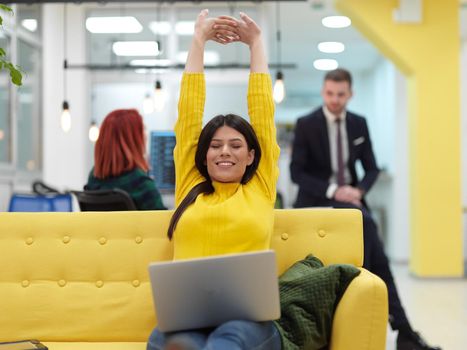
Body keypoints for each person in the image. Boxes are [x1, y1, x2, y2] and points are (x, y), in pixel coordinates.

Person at [146, 9, 282, 350]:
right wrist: (197, 41)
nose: (225, 152)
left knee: (228, 340)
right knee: (164, 340)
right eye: (216, 145)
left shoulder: (260, 186)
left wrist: (256, 45)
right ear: (203, 154)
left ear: (251, 155)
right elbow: (189, 114)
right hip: (188, 316)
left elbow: (262, 111)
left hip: (248, 321)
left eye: (236, 145)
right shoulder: (190, 185)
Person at [289, 68, 441, 350]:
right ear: (323, 92)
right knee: (373, 247)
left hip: (354, 203)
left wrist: (358, 191)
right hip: (317, 204)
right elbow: (297, 173)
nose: (335, 100)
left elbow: (371, 168)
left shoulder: (359, 124)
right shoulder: (306, 123)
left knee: (372, 251)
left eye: (341, 94)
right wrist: (336, 191)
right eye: (330, 94)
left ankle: (389, 328)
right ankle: (401, 330)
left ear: (350, 94)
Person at [85, 109, 166, 210]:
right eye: (143, 130)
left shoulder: (93, 179)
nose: (145, 135)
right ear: (133, 140)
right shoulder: (141, 184)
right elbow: (165, 224)